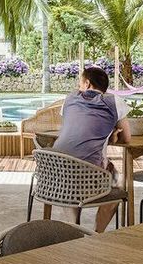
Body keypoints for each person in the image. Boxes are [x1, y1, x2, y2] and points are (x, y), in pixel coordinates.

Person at [52, 66, 132, 232]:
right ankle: (97, 234)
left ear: (87, 83)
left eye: (80, 83)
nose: (78, 87)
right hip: (88, 174)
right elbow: (127, 138)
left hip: (55, 174)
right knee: (119, 185)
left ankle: (74, 229)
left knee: (72, 174)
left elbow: (76, 129)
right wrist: (111, 135)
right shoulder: (114, 101)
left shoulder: (69, 98)